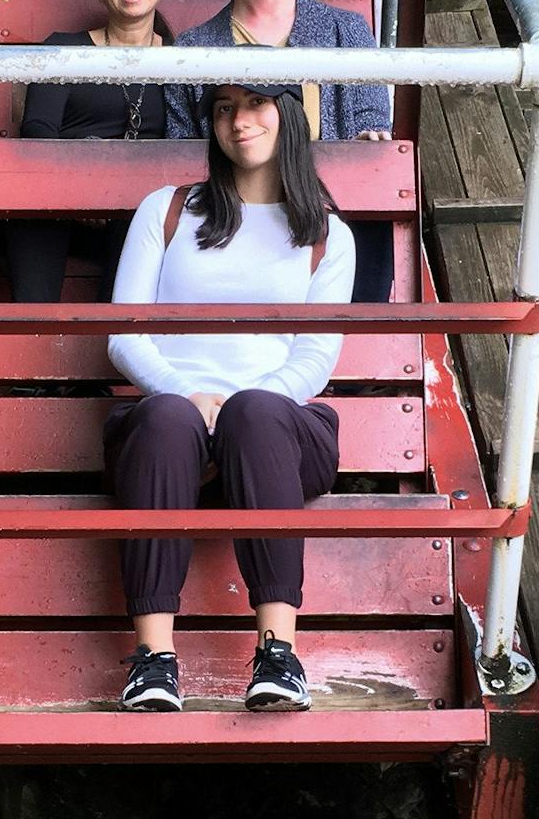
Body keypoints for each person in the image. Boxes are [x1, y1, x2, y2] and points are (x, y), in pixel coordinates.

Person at [106, 82, 355, 712]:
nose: (239, 122)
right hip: (169, 429)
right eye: (223, 109)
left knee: (255, 409)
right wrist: (190, 396)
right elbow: (123, 334)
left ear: (289, 112)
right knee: (165, 417)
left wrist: (235, 400)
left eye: (256, 104)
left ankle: (279, 655)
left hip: (277, 432)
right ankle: (154, 662)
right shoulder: (167, 210)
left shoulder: (327, 234)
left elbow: (315, 358)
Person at [166, 0, 395, 302]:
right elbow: (185, 155)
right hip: (233, 230)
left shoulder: (345, 32)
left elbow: (370, 122)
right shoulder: (192, 50)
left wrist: (369, 145)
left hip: (328, 221)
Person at [5, 0, 173, 303]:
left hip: (139, 210)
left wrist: (113, 195)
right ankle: (29, 345)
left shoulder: (185, 60)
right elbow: (38, 130)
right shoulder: (64, 49)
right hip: (59, 204)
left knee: (140, 219)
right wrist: (83, 192)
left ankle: (118, 345)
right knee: (30, 216)